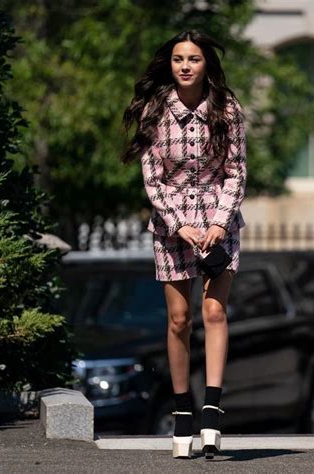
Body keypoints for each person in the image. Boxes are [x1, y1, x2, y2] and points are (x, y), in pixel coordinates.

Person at [121, 30, 247, 459]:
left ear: (206, 63)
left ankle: (211, 409)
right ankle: (182, 412)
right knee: (179, 319)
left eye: (193, 58)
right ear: (170, 64)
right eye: (178, 59)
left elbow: (236, 172)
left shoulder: (227, 110)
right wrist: (179, 225)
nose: (185, 66)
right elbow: (152, 179)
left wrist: (217, 222)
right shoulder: (155, 111)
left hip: (218, 226)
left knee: (214, 310)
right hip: (171, 227)